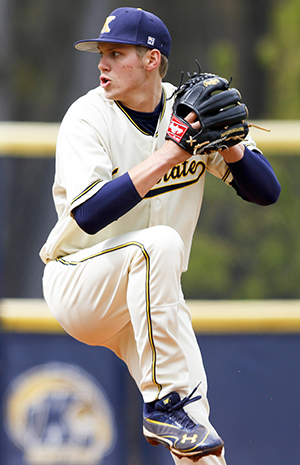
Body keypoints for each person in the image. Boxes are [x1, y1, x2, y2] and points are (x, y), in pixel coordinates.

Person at [40, 7, 281, 464]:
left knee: (199, 434)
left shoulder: (188, 111)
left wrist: (229, 144)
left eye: (116, 53)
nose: (102, 64)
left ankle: (174, 408)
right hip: (80, 281)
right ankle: (163, 406)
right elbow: (89, 214)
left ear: (152, 60)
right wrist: (173, 153)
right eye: (100, 54)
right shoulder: (87, 117)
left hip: (151, 301)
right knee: (161, 244)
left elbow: (266, 191)